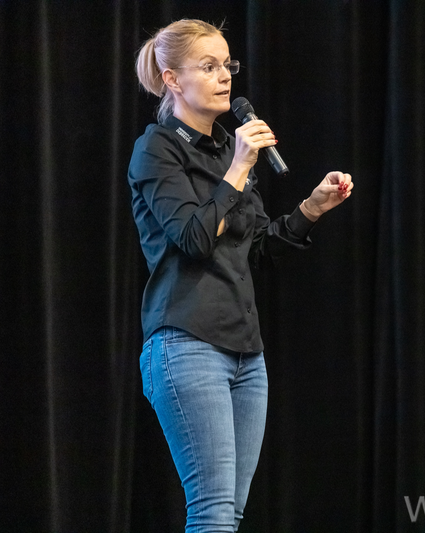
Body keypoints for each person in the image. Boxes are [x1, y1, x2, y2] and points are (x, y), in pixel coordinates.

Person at [128, 19, 353, 532]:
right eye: (208, 66)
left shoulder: (227, 149)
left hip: (246, 354)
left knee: (230, 511)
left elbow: (257, 249)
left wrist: (311, 209)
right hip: (187, 342)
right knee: (211, 509)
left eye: (227, 64)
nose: (225, 76)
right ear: (172, 79)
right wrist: (238, 168)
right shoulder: (158, 148)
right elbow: (192, 238)